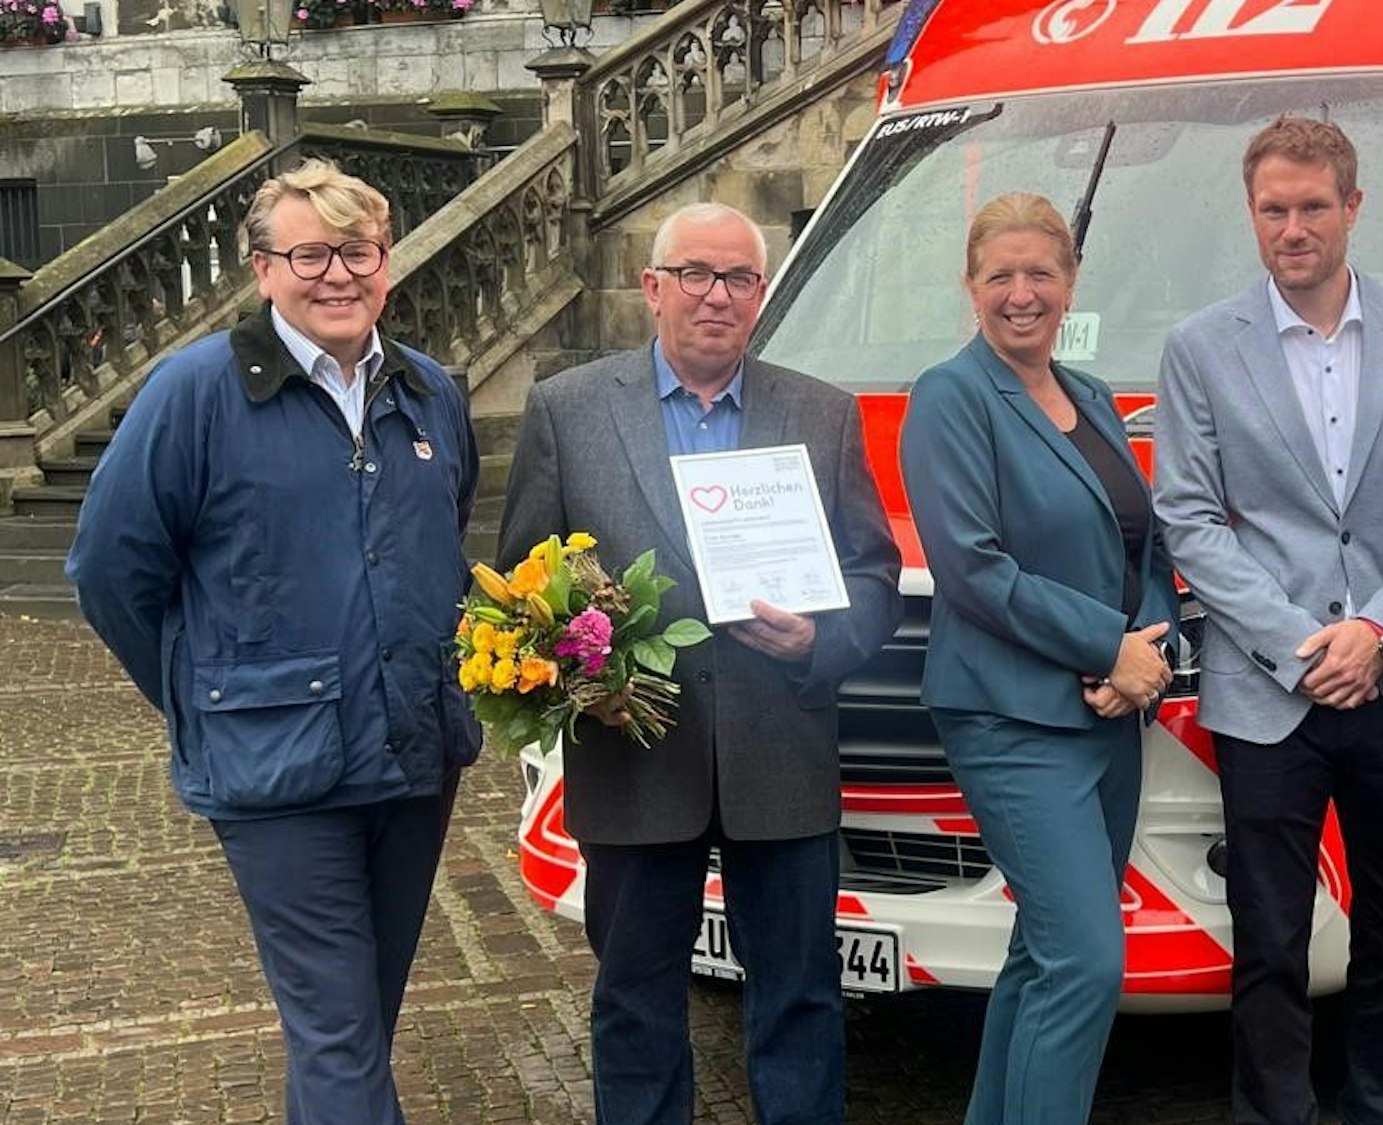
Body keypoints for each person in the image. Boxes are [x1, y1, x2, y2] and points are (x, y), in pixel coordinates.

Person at [66, 159, 481, 1125]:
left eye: (359, 252)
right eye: (309, 254)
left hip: (414, 754)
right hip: (275, 774)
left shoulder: (430, 392)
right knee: (338, 1032)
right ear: (262, 270)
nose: (337, 274)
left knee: (357, 1024)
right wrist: (207, 697)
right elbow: (109, 571)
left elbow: (439, 547)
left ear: (388, 263)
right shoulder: (195, 392)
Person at [496, 201, 901, 1125]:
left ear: (762, 294)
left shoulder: (822, 411)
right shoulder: (569, 409)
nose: (716, 297)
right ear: (653, 288)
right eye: (695, 275)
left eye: (739, 278)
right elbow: (524, 591)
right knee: (636, 1003)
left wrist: (820, 641)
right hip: (634, 762)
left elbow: (874, 577)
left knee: (799, 1000)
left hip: (782, 754)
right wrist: (578, 682)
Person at [1150, 117, 1383, 1125]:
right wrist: (1301, 645)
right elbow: (1188, 518)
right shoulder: (1199, 346)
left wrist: (1375, 630)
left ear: (1352, 208)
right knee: (1269, 937)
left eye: (1312, 206)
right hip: (1267, 687)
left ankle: (1378, 1105)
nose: (1293, 227)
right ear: (1251, 214)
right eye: (1272, 209)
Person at [899, 192, 1177, 1125]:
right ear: (970, 287)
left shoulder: (1092, 395)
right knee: (1087, 960)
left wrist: (1144, 641)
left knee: (1044, 949)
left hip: (1109, 718)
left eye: (1041, 274)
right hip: (1012, 720)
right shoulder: (950, 396)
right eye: (1000, 276)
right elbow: (973, 569)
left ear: (1070, 283)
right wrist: (1106, 646)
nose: (1022, 294)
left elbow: (1146, 543)